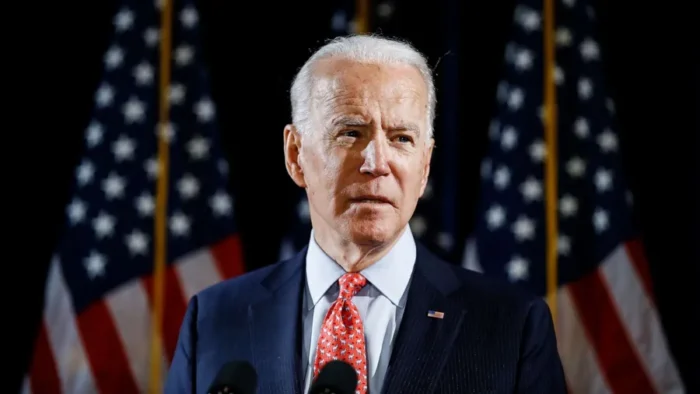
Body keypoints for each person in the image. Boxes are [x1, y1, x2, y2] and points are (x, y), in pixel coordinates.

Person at [165, 34, 567, 394]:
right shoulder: (215, 319)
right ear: (295, 156)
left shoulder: (511, 327)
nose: (377, 162)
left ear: (424, 166)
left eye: (401, 138)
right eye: (351, 133)